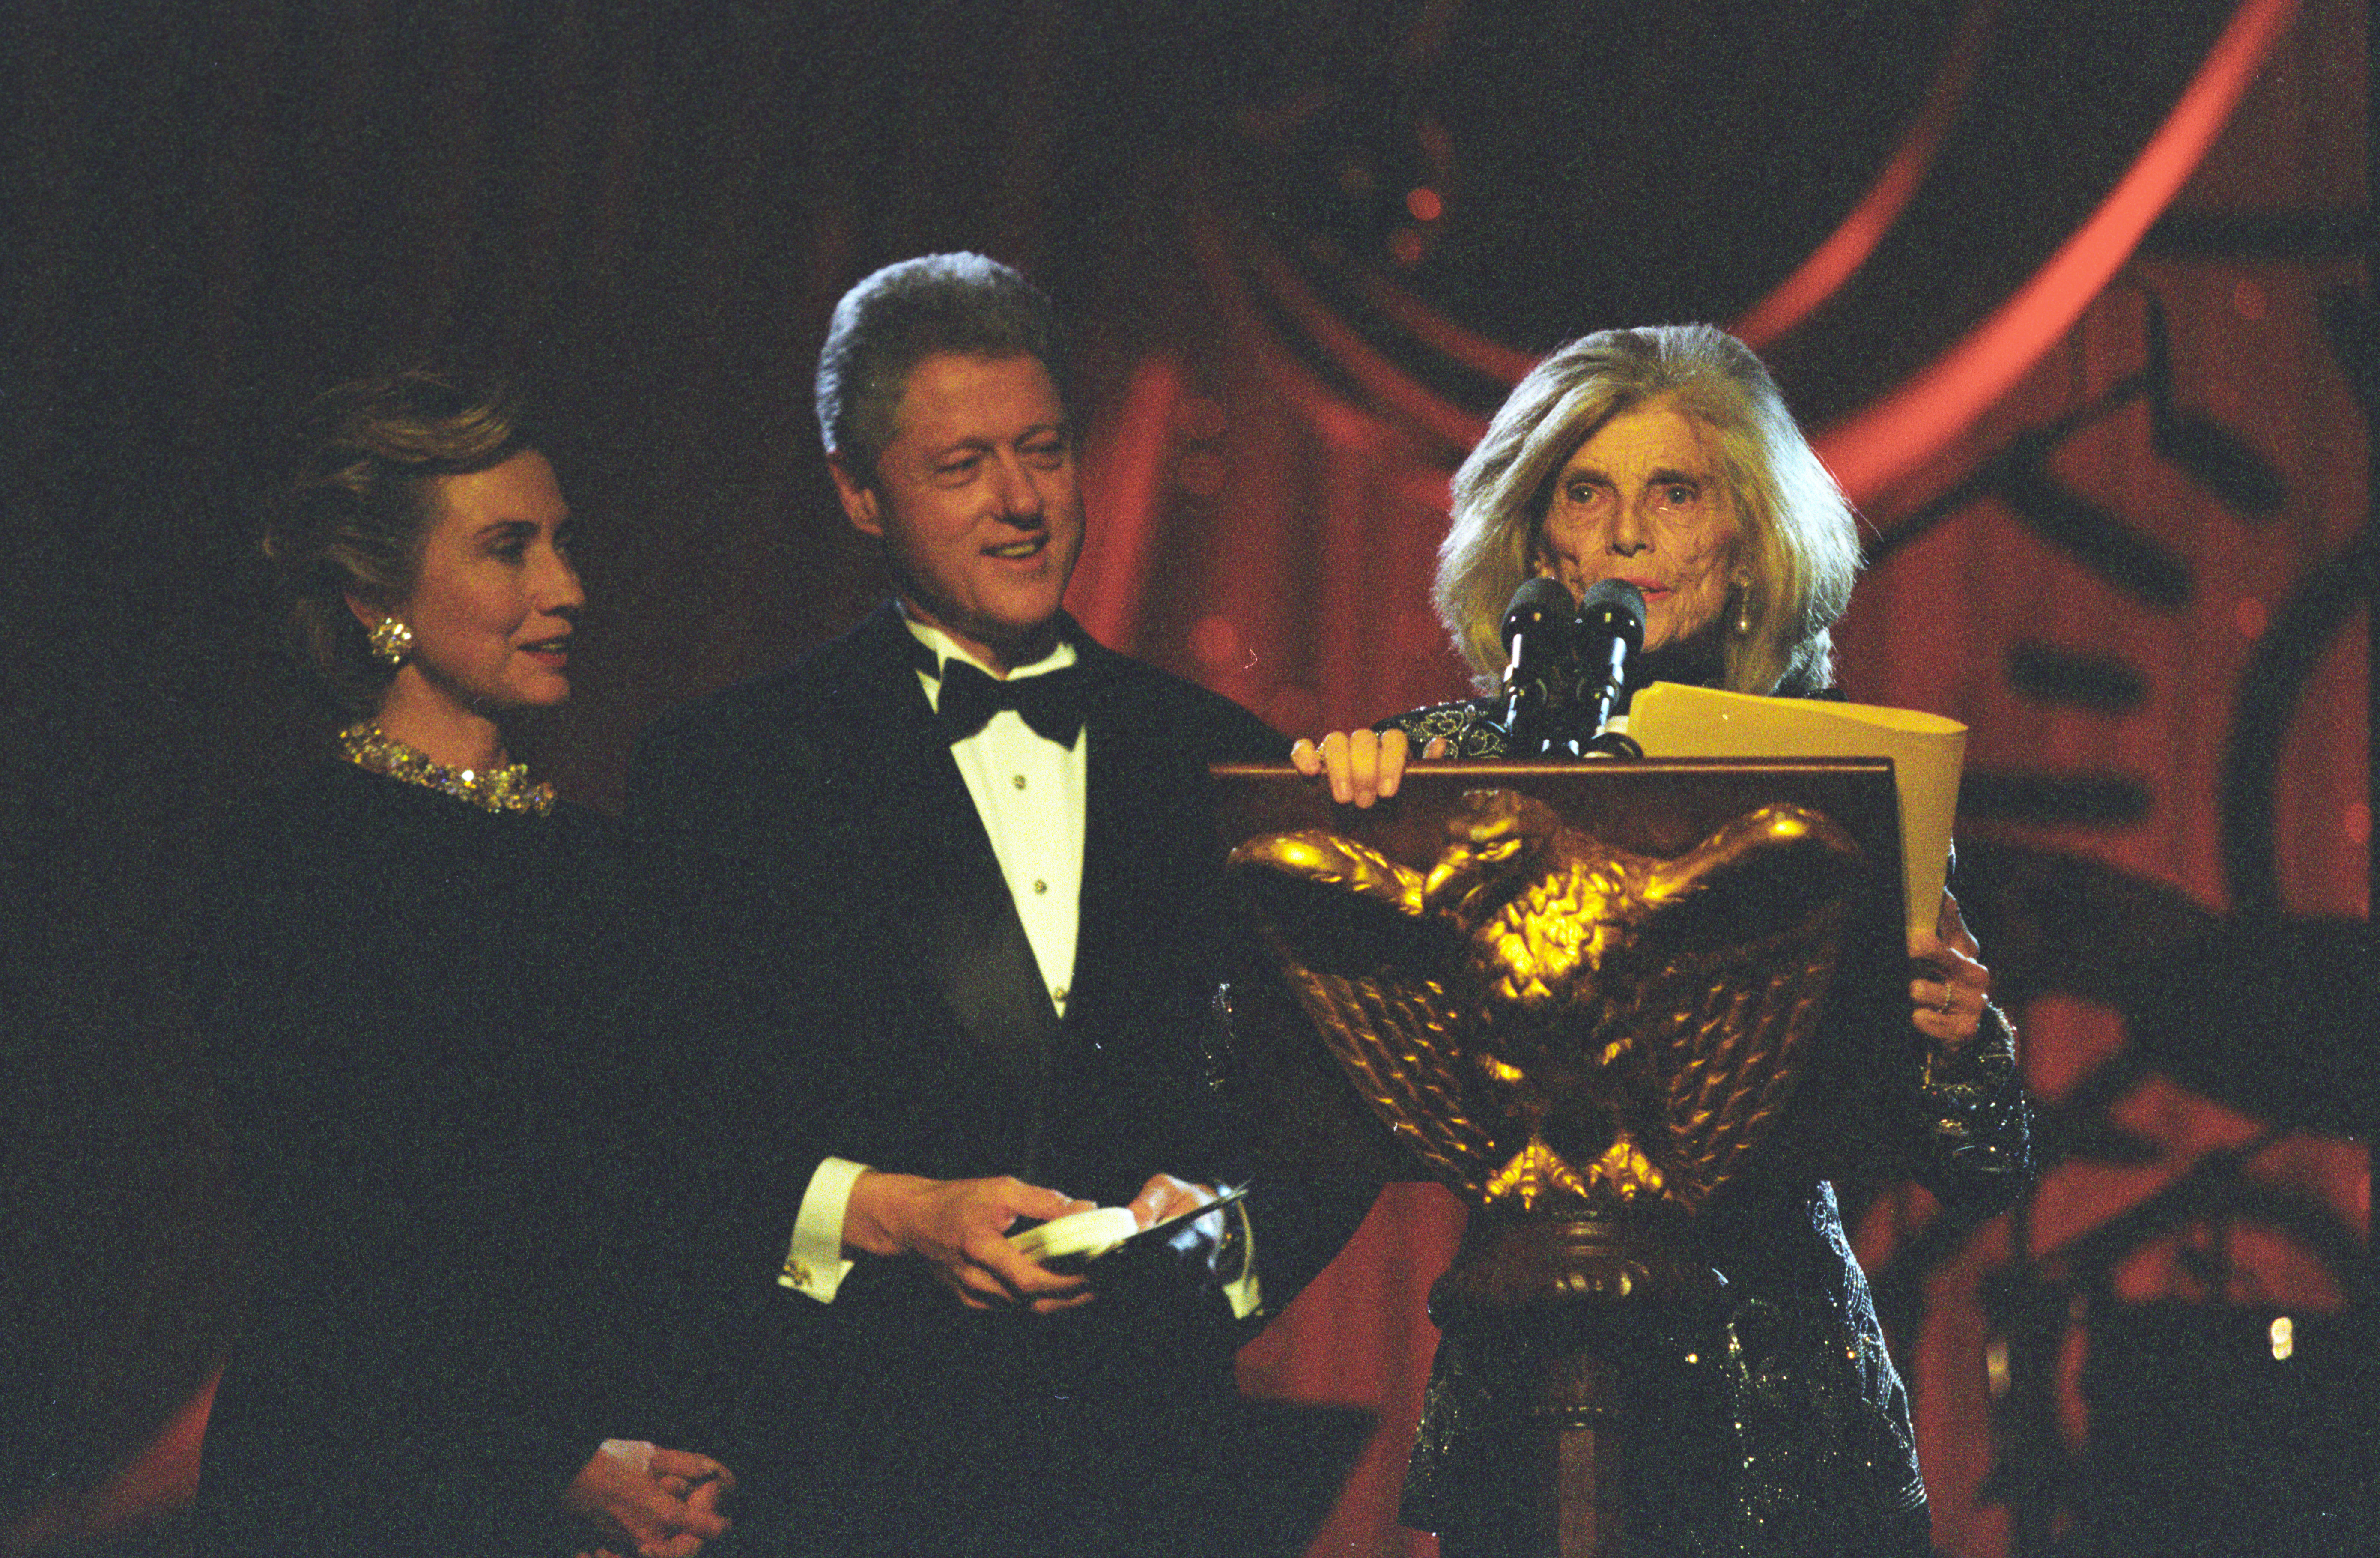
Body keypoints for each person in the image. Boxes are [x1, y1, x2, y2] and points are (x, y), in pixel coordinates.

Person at [624, 254, 1363, 1558]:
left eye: (1044, 451)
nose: (1022, 504)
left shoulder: (1221, 758)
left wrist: (1227, 1239)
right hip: (851, 1472)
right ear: (861, 495)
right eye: (962, 467)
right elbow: (665, 1125)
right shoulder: (729, 769)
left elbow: (1340, 1085)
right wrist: (900, 1211)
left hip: (1157, 1475)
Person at [1291, 324, 2031, 1555]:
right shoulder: (1448, 768)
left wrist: (1967, 1041)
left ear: (1745, 544)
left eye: (1673, 492)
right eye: (1588, 492)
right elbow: (1267, 1057)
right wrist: (1346, 798)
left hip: (1784, 1413)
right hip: (1525, 1393)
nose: (1628, 532)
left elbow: (1984, 1165)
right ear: (1540, 542)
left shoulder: (1848, 778)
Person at [197, 368, 734, 1558]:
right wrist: (551, 1459)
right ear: (374, 595)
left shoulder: (612, 865)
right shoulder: (289, 864)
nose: (569, 589)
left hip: (623, 1489)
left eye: (564, 545)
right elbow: (340, 1236)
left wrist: (655, 1462)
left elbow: (662, 1194)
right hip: (375, 1485)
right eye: (510, 550)